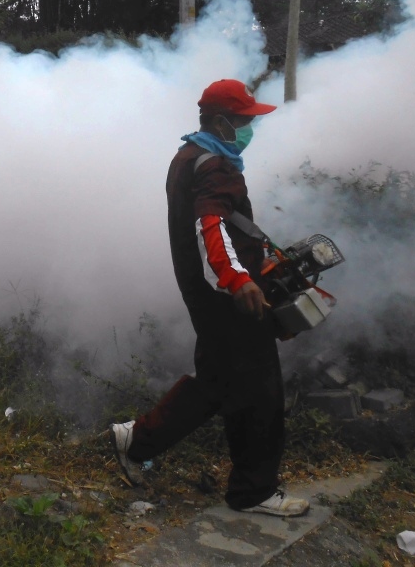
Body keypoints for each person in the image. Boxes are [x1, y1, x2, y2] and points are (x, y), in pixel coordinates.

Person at [109, 79, 308, 517]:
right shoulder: (215, 164)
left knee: (218, 383)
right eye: (244, 120)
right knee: (260, 390)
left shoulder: (187, 156)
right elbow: (209, 227)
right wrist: (238, 280)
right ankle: (253, 493)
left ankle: (136, 440)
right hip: (226, 298)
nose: (249, 128)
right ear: (221, 121)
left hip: (208, 294)